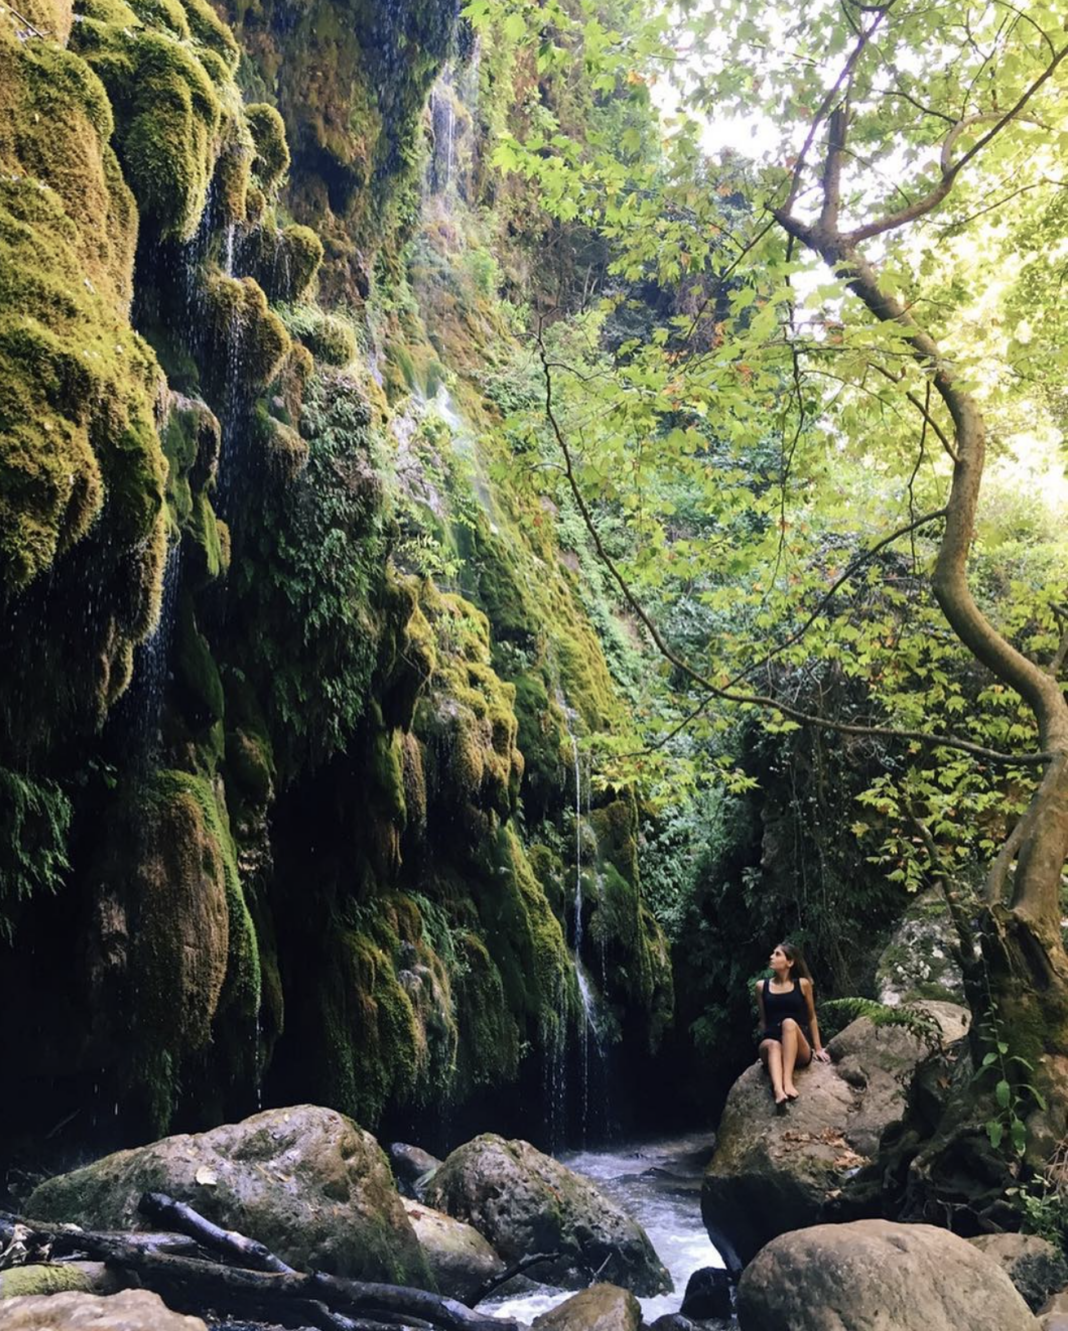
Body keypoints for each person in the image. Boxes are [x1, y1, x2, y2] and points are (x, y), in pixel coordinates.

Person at [755, 942, 829, 1110]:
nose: (771, 957)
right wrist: (764, 1050)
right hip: (772, 1043)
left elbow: (811, 1017)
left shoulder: (803, 984)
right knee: (773, 1044)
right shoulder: (761, 986)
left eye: (777, 954)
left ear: (790, 962)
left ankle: (788, 1082)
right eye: (773, 953)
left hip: (796, 1046)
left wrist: (818, 1048)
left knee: (789, 1023)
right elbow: (763, 1020)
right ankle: (778, 1091)